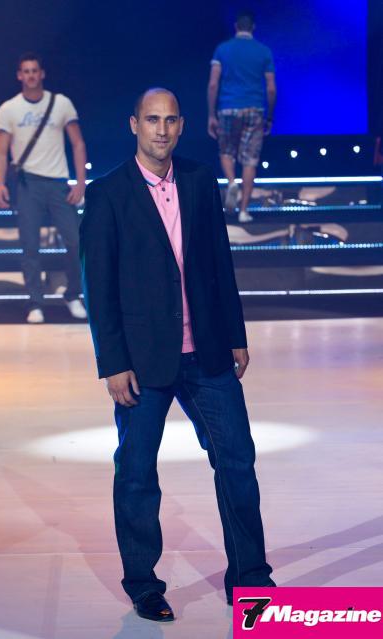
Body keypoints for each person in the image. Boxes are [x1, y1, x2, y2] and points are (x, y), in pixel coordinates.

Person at [80, 88, 275, 623]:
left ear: (182, 125)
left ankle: (251, 580)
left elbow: (219, 262)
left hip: (207, 351)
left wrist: (235, 332)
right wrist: (112, 362)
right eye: (151, 120)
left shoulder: (198, 179)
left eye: (169, 120)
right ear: (134, 125)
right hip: (142, 362)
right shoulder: (108, 193)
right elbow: (98, 286)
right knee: (137, 473)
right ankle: (144, 585)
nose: (161, 130)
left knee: (237, 462)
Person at [0, 52, 87, 323]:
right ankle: (35, 302)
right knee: (30, 247)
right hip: (28, 184)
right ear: (19, 75)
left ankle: (72, 294)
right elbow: (0, 151)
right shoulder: (9, 109)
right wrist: (0, 183)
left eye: (35, 70)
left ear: (42, 73)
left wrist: (81, 182)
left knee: (76, 241)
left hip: (58, 183)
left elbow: (78, 143)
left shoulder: (61, 103)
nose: (31, 75)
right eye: (26, 71)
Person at [207, 10, 277, 222]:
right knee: (250, 160)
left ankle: (231, 182)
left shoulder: (222, 50)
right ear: (253, 28)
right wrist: (270, 117)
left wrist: (211, 114)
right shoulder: (264, 51)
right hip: (254, 109)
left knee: (226, 151)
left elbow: (213, 84)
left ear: (236, 27)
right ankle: (244, 211)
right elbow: (271, 89)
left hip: (228, 107)